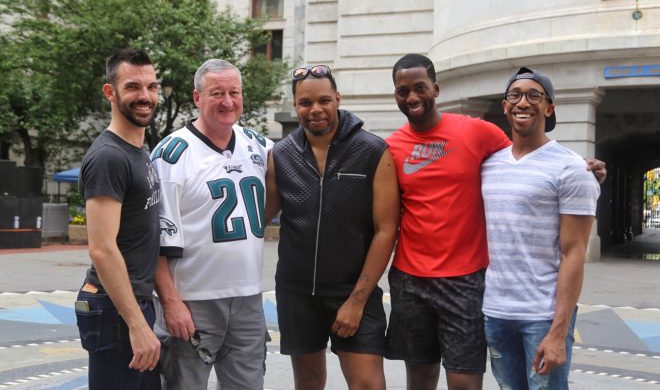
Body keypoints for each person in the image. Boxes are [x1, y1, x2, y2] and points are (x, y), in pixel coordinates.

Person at [383, 54, 605, 390]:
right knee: (424, 379)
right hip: (442, 291)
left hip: (482, 288)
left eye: (420, 88)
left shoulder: (478, 132)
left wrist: (584, 173)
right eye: (403, 91)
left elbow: (534, 159)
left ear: (436, 89)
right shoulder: (394, 148)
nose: (412, 97)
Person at [265, 65, 400, 390]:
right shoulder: (280, 154)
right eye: (305, 102)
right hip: (297, 293)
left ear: (337, 99)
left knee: (368, 384)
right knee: (308, 382)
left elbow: (386, 230)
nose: (315, 110)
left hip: (353, 290)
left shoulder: (371, 151)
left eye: (324, 100)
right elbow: (261, 217)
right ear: (295, 105)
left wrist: (356, 301)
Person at [151, 59, 272, 390]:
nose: (228, 101)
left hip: (247, 298)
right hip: (192, 300)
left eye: (234, 92)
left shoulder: (258, 145)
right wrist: (172, 303)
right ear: (197, 97)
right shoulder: (172, 155)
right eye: (217, 92)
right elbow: (156, 243)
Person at [480, 67, 600, 389]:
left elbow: (574, 252)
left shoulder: (571, 168)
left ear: (549, 108)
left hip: (542, 316)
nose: (524, 102)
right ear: (505, 106)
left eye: (535, 95)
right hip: (495, 311)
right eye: (515, 95)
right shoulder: (489, 164)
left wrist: (559, 331)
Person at [75, 47, 162, 390]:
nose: (145, 96)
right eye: (133, 87)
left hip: (134, 303)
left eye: (152, 87)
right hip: (115, 310)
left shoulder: (138, 149)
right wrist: (137, 324)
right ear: (110, 92)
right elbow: (101, 249)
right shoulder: (109, 157)